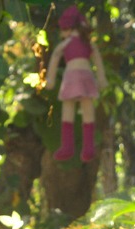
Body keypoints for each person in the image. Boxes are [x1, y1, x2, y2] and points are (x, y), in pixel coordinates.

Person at [44, 5, 108, 162]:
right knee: (86, 112)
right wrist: (101, 78)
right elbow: (98, 61)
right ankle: (82, 148)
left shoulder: (74, 44)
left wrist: (50, 79)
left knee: (71, 111)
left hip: (72, 78)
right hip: (83, 77)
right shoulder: (85, 44)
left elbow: (54, 58)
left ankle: (77, 147)